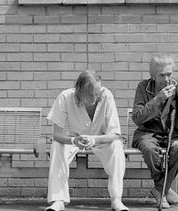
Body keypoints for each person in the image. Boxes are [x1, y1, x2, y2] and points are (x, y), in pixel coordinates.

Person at [45, 70, 129, 211]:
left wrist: (94, 140)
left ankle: (116, 199)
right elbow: (57, 134)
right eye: (92, 94)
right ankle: (58, 200)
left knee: (116, 145)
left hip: (101, 140)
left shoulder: (106, 95)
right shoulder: (65, 97)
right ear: (79, 91)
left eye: (98, 91)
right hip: (74, 139)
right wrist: (73, 141)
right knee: (57, 145)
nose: (97, 97)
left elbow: (115, 134)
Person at [131, 55, 178, 209]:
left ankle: (160, 189)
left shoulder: (176, 85)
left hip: (170, 135)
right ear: (153, 76)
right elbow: (137, 117)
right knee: (149, 149)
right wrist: (158, 99)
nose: (167, 78)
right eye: (162, 75)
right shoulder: (143, 87)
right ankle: (164, 189)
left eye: (169, 74)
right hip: (147, 133)